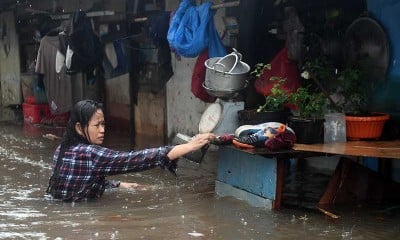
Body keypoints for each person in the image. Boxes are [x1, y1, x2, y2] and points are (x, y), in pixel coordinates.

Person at [46, 99, 215, 202]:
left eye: (103, 124)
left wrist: (119, 185)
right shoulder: (91, 154)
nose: (102, 130)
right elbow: (135, 159)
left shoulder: (62, 149)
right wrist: (189, 146)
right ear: (79, 127)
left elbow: (80, 182)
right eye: (97, 125)